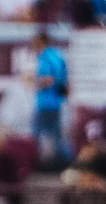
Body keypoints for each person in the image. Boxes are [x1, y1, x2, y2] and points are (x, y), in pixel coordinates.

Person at [31, 31, 71, 171]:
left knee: (37, 134)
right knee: (57, 134)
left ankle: (37, 163)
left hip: (47, 103)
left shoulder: (46, 57)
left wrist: (35, 83)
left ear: (41, 42)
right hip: (56, 102)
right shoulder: (58, 56)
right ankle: (65, 161)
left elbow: (50, 79)